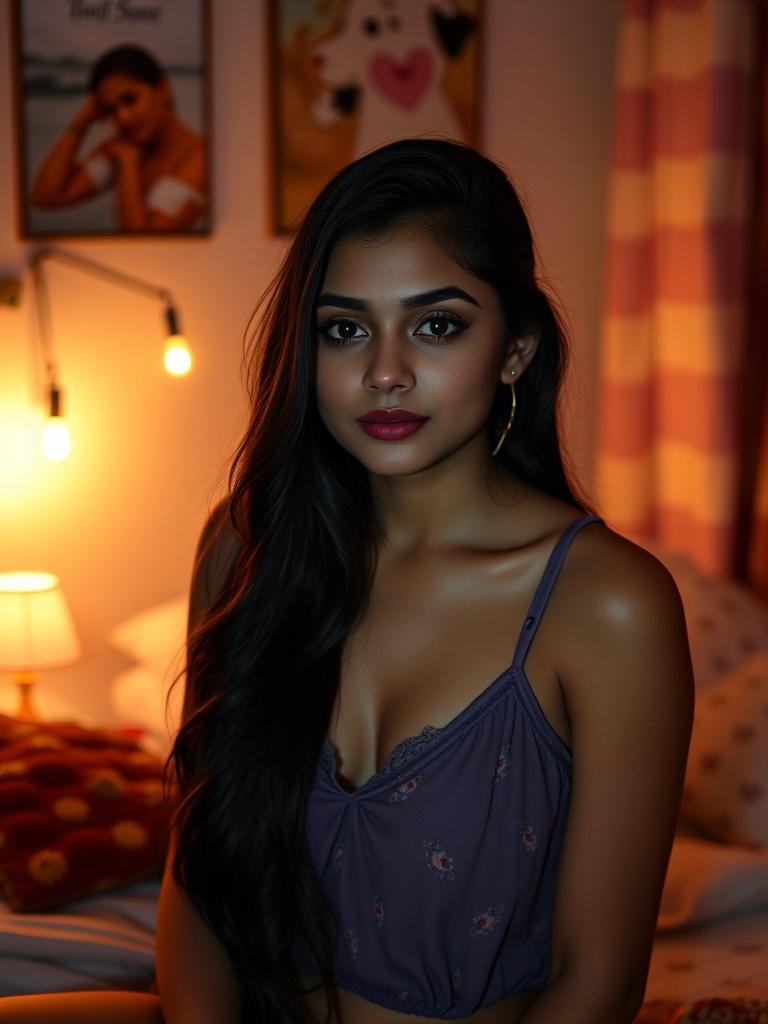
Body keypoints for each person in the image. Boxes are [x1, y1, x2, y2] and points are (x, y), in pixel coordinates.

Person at [0, 137, 694, 1023]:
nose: (385, 372)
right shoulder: (244, 549)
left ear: (515, 349)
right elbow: (200, 878)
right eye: (346, 328)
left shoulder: (606, 603)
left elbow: (596, 984)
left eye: (437, 325)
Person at [29, 45, 206, 232]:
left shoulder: (201, 157)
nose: (122, 117)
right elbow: (45, 197)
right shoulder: (124, 147)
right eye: (110, 110)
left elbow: (145, 246)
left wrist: (128, 165)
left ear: (162, 89)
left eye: (130, 99)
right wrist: (83, 119)